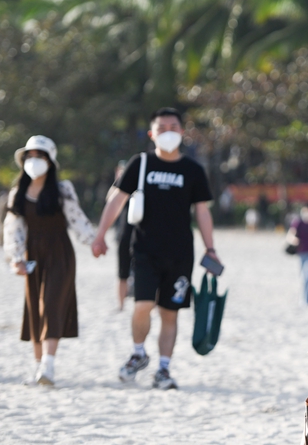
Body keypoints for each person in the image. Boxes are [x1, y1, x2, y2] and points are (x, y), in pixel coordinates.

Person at [90, 108, 219, 390]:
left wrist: (210, 248)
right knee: (142, 306)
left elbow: (202, 211)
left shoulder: (193, 170)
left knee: (169, 313)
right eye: (162, 128)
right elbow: (117, 200)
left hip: (181, 254)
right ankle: (138, 353)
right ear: (152, 134)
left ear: (182, 132)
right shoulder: (140, 164)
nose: (168, 132)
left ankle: (163, 369)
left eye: (173, 127)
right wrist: (100, 235)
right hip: (144, 250)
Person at [3, 135, 97, 386]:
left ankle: (49, 364)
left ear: (50, 161)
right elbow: (13, 228)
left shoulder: (62, 189)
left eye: (40, 156)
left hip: (60, 252)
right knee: (35, 307)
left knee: (51, 303)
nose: (34, 160)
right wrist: (15, 258)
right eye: (30, 156)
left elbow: (77, 219)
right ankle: (38, 367)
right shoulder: (18, 193)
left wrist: (94, 241)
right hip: (32, 254)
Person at [110, 161, 135, 311]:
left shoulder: (140, 185)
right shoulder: (120, 189)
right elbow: (110, 200)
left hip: (142, 235)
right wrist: (118, 182)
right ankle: (121, 305)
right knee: (122, 273)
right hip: (124, 234)